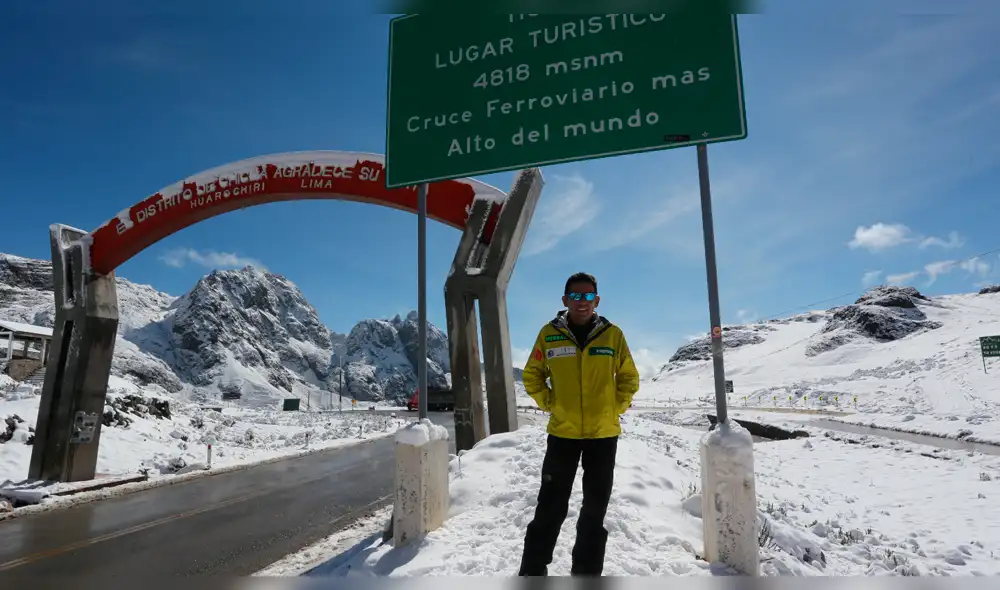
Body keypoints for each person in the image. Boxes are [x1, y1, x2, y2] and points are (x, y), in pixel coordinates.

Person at [517, 272, 641, 576]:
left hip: (603, 436)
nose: (581, 302)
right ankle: (532, 573)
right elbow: (531, 375)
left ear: (596, 300)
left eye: (588, 296)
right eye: (575, 296)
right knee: (549, 508)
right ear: (565, 300)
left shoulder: (613, 335)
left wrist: (614, 408)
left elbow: (629, 377)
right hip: (563, 435)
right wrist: (550, 403)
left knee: (594, 512)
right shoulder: (549, 334)